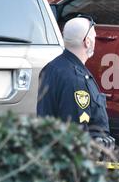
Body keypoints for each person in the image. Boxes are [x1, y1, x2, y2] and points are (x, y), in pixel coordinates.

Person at [37, 15, 114, 149]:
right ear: (87, 42)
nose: (95, 41)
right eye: (94, 38)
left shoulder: (51, 68)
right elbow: (76, 131)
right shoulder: (76, 79)